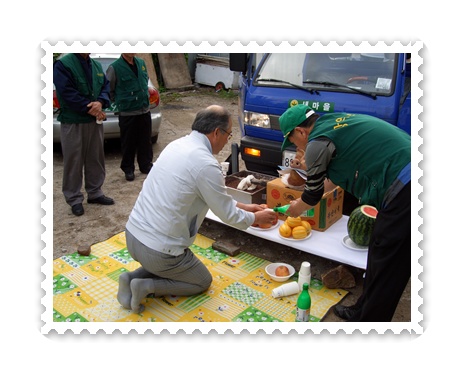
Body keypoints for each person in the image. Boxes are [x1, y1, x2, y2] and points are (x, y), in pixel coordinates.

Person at [117, 105, 278, 313]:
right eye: (228, 135)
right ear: (216, 133)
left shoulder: (177, 145)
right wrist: (256, 218)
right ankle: (147, 286)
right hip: (158, 251)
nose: (226, 141)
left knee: (169, 264)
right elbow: (228, 215)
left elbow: (212, 195)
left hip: (133, 236)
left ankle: (131, 277)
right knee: (201, 281)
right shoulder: (206, 164)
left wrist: (246, 206)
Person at [279, 104, 411, 322]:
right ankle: (362, 310)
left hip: (407, 183)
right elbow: (329, 183)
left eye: (292, 140)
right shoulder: (332, 123)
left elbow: (311, 196)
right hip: (406, 172)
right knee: (379, 252)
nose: (295, 146)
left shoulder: (317, 143)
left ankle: (371, 324)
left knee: (390, 264)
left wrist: (295, 209)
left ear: (301, 131)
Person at [53, 53, 115, 216]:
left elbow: (105, 87)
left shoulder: (95, 65)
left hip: (93, 122)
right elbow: (66, 92)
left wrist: (101, 102)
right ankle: (74, 199)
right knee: (73, 159)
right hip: (74, 121)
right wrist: (91, 109)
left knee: (95, 157)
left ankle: (95, 193)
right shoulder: (63, 64)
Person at [106, 54, 153, 181]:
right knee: (128, 142)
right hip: (128, 112)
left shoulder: (141, 63)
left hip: (144, 110)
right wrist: (120, 102)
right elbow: (109, 89)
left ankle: (145, 165)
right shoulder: (114, 67)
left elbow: (145, 80)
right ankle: (128, 169)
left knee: (145, 141)